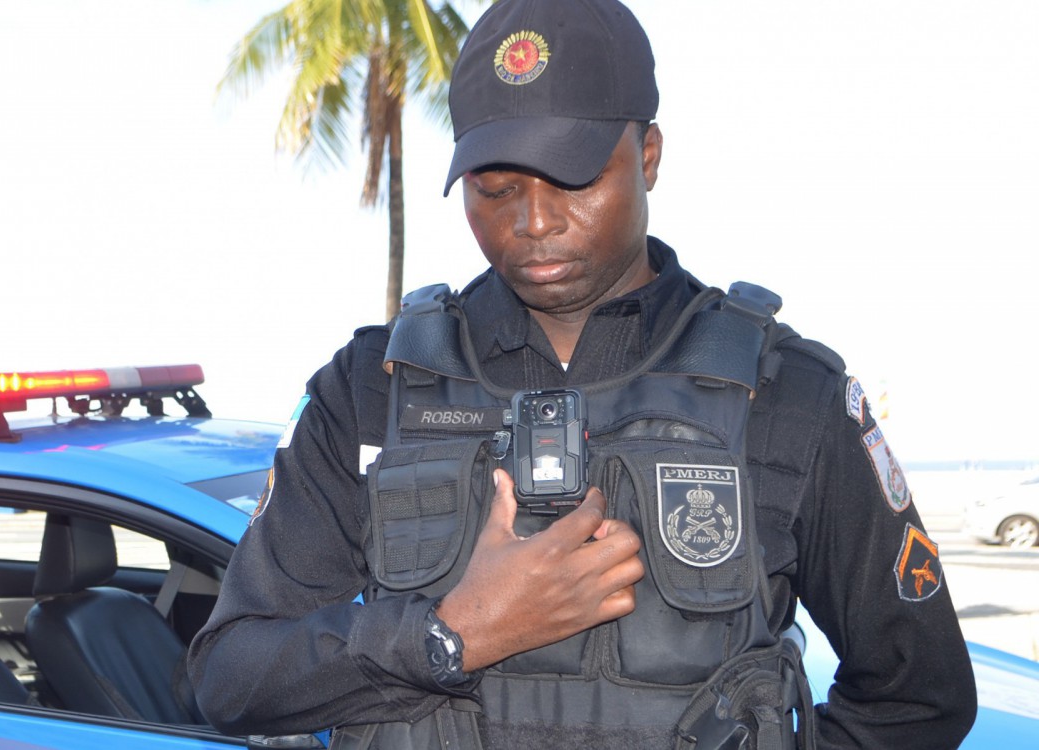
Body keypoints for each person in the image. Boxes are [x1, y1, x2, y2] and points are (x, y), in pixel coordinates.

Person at [188, 0, 977, 747]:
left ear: (651, 156)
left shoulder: (788, 392)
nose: (532, 221)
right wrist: (452, 635)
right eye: (494, 189)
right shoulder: (370, 388)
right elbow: (231, 676)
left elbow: (920, 692)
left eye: (572, 179)